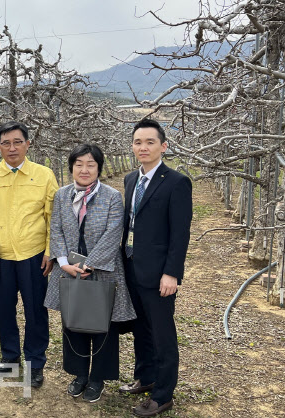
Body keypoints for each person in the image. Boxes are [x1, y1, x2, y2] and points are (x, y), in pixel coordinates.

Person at [43, 144, 136, 403]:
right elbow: (57, 229)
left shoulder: (112, 196)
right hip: (69, 269)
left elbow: (113, 233)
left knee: (102, 326)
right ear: (71, 167)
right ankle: (80, 374)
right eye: (79, 164)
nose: (84, 169)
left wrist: (89, 264)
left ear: (98, 168)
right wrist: (63, 262)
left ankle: (98, 378)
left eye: (90, 164)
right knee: (74, 321)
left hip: (103, 270)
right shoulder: (62, 195)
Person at [119, 119, 192, 417]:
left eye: (150, 142)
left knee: (162, 334)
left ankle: (163, 395)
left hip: (159, 272)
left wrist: (171, 272)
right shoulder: (129, 180)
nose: (143, 147)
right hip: (132, 267)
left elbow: (180, 233)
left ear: (163, 146)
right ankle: (146, 376)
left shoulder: (176, 182)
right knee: (141, 329)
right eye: (138, 142)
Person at [0, 121, 58, 388]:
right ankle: (10, 357)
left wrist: (50, 251)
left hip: (33, 255)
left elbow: (53, 217)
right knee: (4, 309)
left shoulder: (44, 175)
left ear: (28, 144)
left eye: (17, 142)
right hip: (1, 256)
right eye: (5, 143)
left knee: (36, 310)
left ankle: (35, 363)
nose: (11, 148)